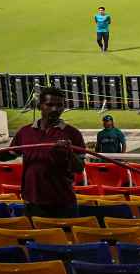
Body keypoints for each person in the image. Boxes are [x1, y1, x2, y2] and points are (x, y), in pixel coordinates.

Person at [9, 87, 85, 218]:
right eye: (50, 105)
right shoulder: (24, 132)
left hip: (63, 204)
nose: (55, 109)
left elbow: (79, 168)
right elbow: (7, 154)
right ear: (40, 106)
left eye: (59, 105)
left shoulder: (73, 134)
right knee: (35, 238)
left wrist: (69, 152)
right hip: (32, 203)